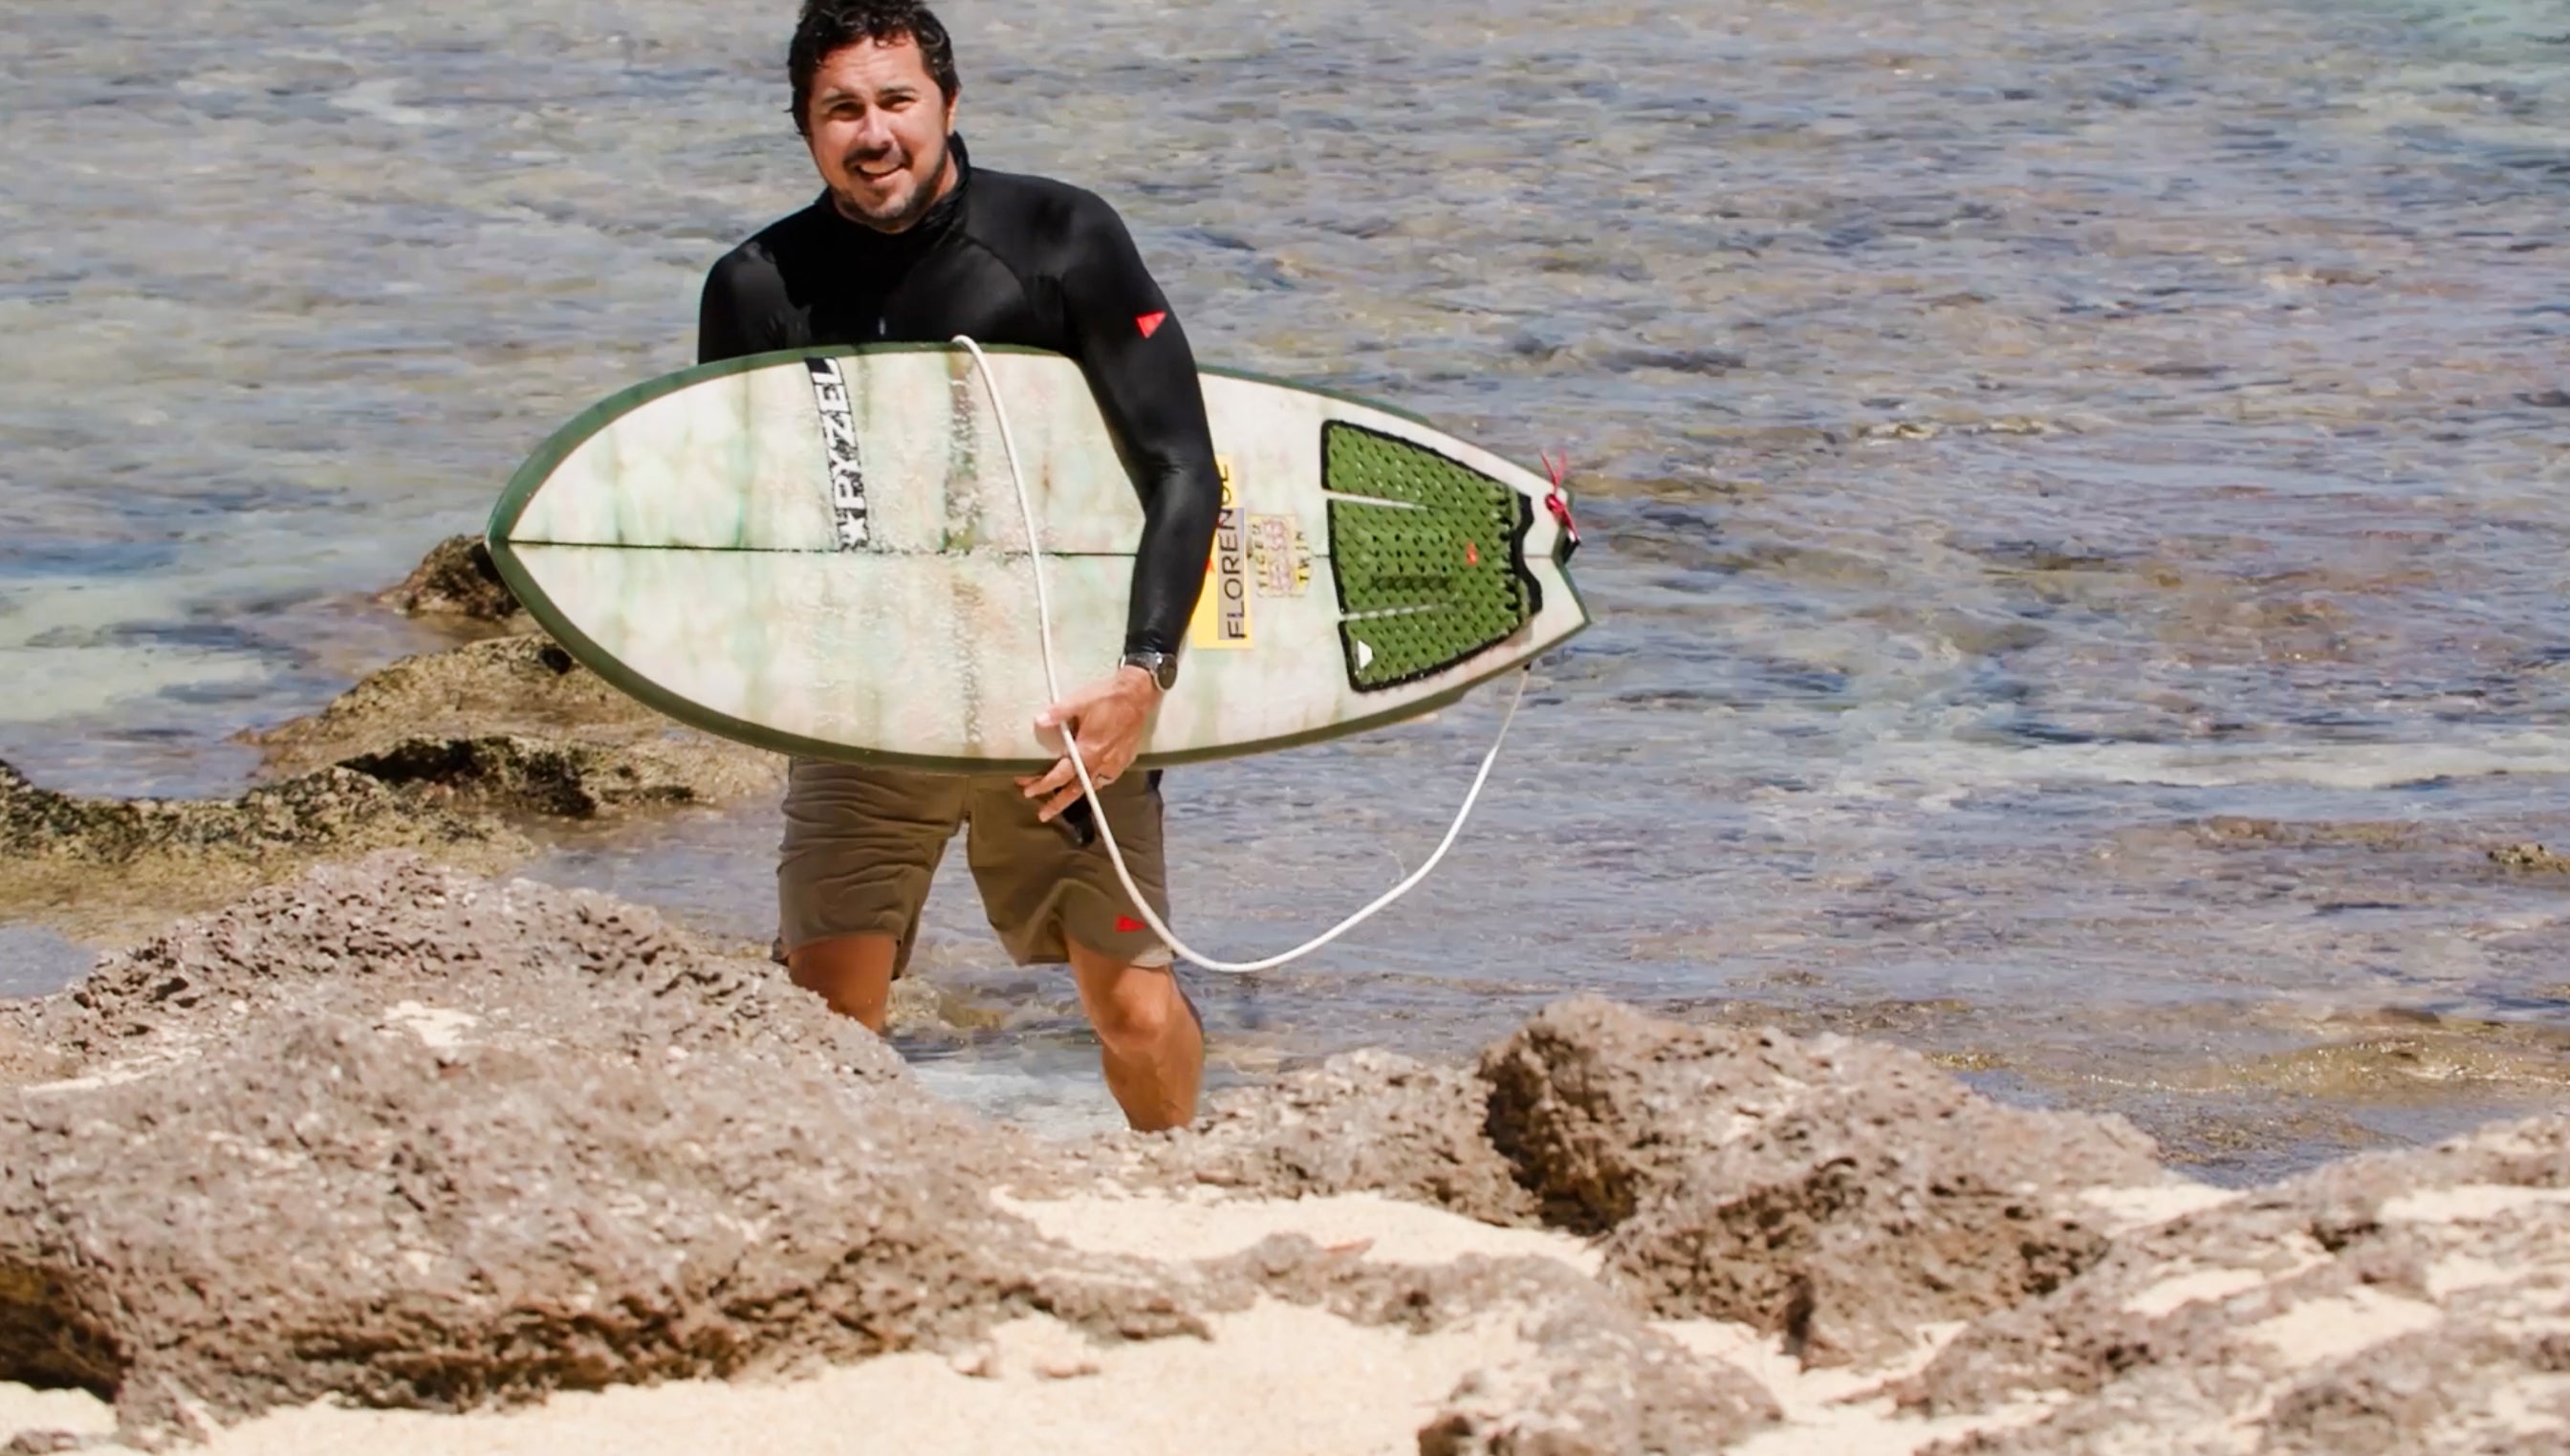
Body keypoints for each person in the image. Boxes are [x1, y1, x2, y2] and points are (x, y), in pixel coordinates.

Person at [697, 0, 1220, 1130]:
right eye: (842, 110)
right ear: (805, 126)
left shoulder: (1060, 240)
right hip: (867, 710)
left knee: (1130, 1012)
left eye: (896, 101)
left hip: (1056, 707)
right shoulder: (756, 288)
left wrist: (1141, 676)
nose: (872, 132)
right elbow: (738, 521)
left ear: (947, 104)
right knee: (824, 1024)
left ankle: (1186, 1177)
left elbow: (1184, 466)